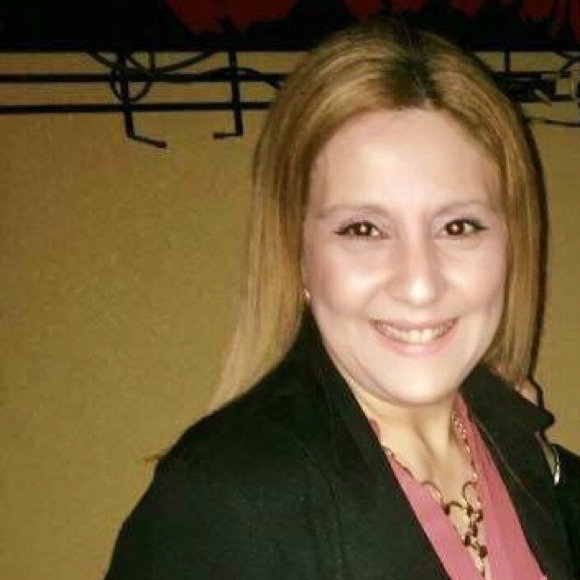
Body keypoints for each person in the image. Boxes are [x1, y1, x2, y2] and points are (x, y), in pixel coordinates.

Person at [104, 17, 579, 579]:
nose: (420, 284)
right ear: (298, 253)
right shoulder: (223, 505)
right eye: (363, 230)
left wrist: (540, 456)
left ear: (511, 239)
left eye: (458, 227)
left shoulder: (512, 437)